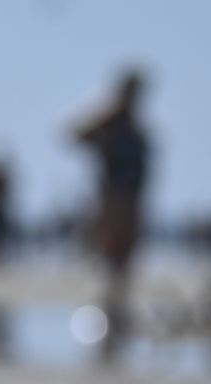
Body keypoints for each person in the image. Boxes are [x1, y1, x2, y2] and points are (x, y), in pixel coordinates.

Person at [70, 69, 151, 360]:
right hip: (114, 200)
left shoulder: (135, 124)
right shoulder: (112, 120)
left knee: (124, 259)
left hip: (132, 198)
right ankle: (109, 314)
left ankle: (116, 312)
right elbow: (75, 134)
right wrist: (102, 143)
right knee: (113, 257)